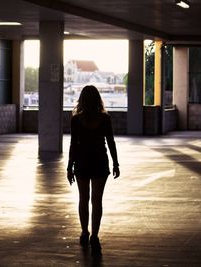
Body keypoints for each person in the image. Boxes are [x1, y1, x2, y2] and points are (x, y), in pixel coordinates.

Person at [67, 85, 120, 257]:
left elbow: (73, 145)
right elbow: (111, 142)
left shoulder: (76, 120)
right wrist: (116, 163)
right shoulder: (104, 119)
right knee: (97, 201)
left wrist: (69, 166)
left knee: (84, 199)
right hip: (99, 162)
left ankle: (84, 232)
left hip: (82, 162)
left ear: (82, 99)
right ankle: (95, 236)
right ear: (98, 99)